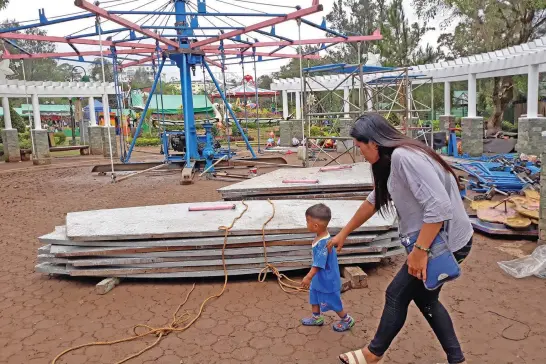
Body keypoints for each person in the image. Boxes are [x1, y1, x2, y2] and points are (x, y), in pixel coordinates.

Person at [330, 114, 472, 364]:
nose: (359, 152)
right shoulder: (392, 160)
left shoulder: (403, 157)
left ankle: (372, 354)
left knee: (396, 294)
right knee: (426, 299)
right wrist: (345, 232)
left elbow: (438, 207)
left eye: (359, 146)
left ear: (373, 143)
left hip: (443, 244)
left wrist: (419, 252)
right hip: (436, 241)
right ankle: (456, 358)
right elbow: (375, 199)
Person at [301, 203, 355, 332]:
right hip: (319, 279)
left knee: (333, 301)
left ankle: (347, 320)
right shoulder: (321, 237)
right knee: (314, 295)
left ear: (315, 226)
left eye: (307, 221)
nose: (306, 223)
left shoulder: (324, 244)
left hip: (327, 280)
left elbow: (318, 264)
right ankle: (316, 318)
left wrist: (308, 277)